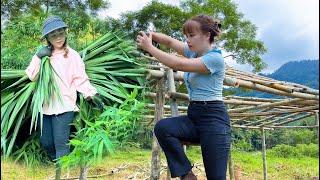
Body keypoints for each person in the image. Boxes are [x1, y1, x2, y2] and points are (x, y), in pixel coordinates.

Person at [136, 14, 231, 180]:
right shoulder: (194, 53)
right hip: (195, 116)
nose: (188, 40)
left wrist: (150, 48)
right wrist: (151, 35)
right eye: (186, 36)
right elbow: (171, 42)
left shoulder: (215, 59)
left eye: (192, 35)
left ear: (207, 35)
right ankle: (186, 174)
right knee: (163, 128)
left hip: (214, 120)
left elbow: (178, 64)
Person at [25, 16, 98, 162]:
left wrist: (90, 94)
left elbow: (80, 79)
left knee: (61, 144)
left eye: (60, 33)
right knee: (47, 142)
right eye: (53, 35)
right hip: (45, 105)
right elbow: (31, 76)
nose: (58, 38)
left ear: (65, 33)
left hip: (65, 105)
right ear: (47, 38)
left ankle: (62, 172)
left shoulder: (73, 55)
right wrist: (38, 57)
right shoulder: (43, 55)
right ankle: (60, 164)